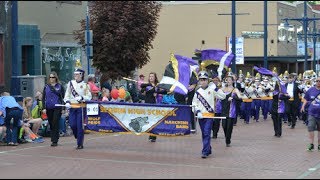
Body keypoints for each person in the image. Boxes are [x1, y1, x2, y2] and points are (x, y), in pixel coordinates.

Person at [192, 71, 226, 158]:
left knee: (207, 133)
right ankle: (208, 148)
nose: (203, 81)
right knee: (204, 133)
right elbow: (194, 104)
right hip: (201, 116)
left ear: (208, 80)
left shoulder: (212, 89)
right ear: (199, 81)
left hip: (209, 116)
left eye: (204, 79)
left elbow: (223, 96)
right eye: (201, 80)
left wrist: (216, 89)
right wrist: (198, 111)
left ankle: (205, 152)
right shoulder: (197, 92)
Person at [64, 68, 92, 149]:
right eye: (75, 74)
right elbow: (67, 94)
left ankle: (80, 143)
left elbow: (89, 97)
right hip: (72, 107)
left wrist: (82, 97)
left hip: (81, 108)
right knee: (72, 124)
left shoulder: (85, 85)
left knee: (80, 126)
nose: (75, 76)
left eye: (77, 74)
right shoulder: (70, 83)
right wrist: (67, 102)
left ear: (81, 75)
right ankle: (77, 136)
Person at [42, 71, 65, 147]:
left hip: (57, 107)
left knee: (55, 122)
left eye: (53, 77)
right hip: (49, 107)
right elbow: (43, 98)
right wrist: (44, 107)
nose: (51, 79)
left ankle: (54, 140)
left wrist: (63, 107)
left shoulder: (59, 86)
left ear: (56, 78)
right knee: (51, 123)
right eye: (50, 77)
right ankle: (54, 137)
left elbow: (63, 97)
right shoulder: (46, 86)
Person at [221, 76, 242, 147]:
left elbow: (240, 98)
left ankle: (228, 140)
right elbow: (216, 94)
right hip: (224, 110)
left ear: (233, 81)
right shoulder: (223, 89)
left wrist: (233, 97)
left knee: (229, 126)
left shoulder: (235, 89)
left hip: (231, 111)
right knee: (224, 126)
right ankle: (227, 137)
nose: (228, 81)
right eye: (227, 80)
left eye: (230, 80)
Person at [301, 76, 320, 151]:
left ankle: (319, 144)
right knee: (310, 128)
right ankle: (311, 144)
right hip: (312, 113)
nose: (318, 82)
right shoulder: (311, 90)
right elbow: (306, 99)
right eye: (317, 81)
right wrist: (303, 106)